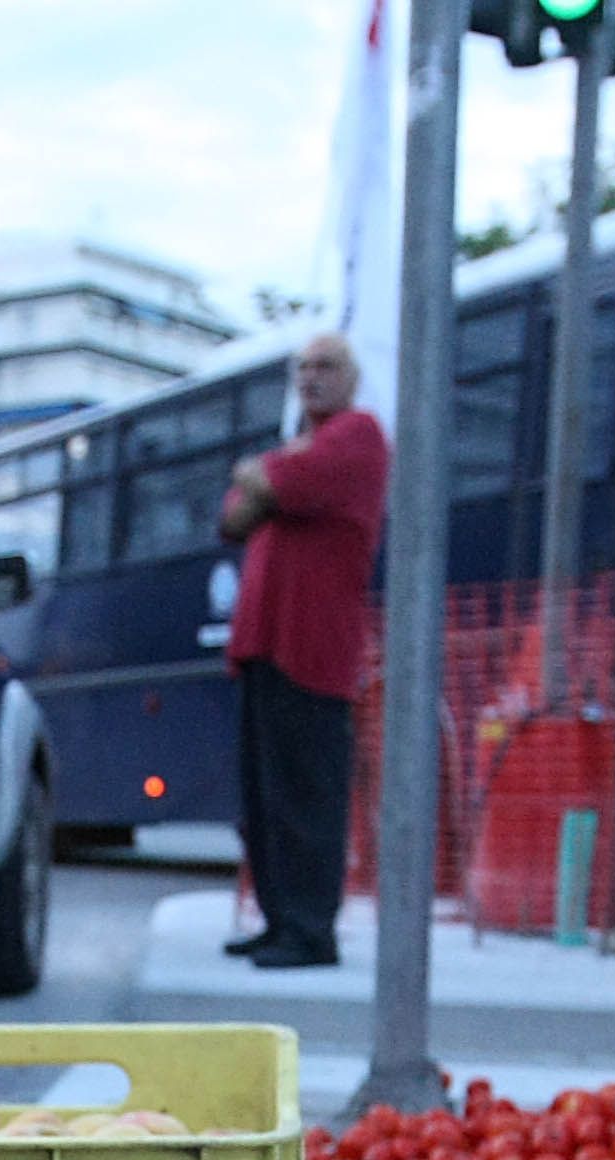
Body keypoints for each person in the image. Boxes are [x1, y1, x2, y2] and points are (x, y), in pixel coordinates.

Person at [216, 329, 388, 970]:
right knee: (265, 798)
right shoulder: (305, 447)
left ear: (350, 377)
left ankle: (310, 929)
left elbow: (275, 484)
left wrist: (262, 476)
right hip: (265, 647)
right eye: (304, 367)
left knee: (306, 796)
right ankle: (280, 918)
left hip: (312, 652)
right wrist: (262, 479)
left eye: (326, 366)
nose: (311, 377)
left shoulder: (358, 435)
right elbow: (235, 512)